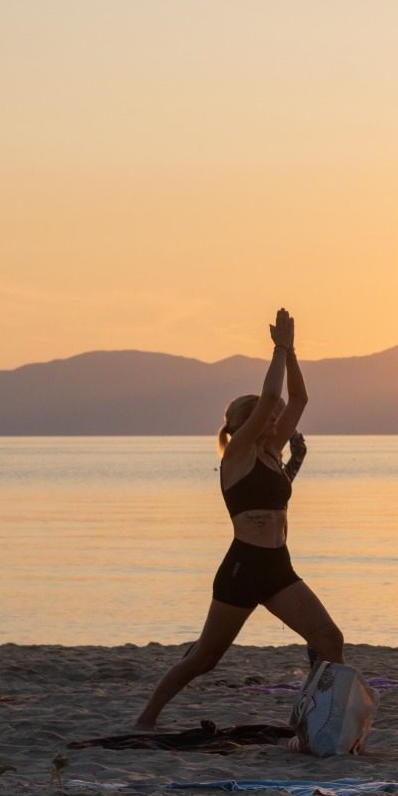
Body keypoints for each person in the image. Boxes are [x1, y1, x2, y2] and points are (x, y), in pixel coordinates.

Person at [135, 310, 345, 728]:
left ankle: (310, 720)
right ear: (246, 423)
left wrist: (294, 352)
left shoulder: (272, 450)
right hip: (243, 568)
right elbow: (271, 399)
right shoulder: (238, 455)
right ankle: (146, 718)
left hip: (278, 567)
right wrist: (279, 349)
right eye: (267, 416)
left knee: (329, 640)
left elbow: (298, 400)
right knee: (204, 659)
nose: (275, 418)